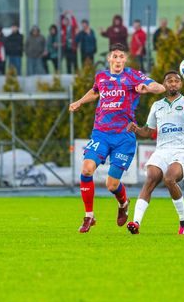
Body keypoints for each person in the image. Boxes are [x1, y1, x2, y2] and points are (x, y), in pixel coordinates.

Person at [69, 43, 166, 233]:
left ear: (125, 59)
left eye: (121, 56)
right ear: (109, 59)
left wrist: (147, 88)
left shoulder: (133, 75)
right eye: (115, 56)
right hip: (101, 133)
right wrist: (79, 102)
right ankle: (89, 216)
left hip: (124, 137)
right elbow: (95, 92)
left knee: (111, 184)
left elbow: (160, 87)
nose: (118, 60)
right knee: (87, 169)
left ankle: (123, 203)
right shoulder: (101, 76)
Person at [126, 71, 184, 234]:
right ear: (164, 84)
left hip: (182, 152)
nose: (173, 83)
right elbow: (148, 131)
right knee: (151, 178)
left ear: (181, 84)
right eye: (169, 81)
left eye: (176, 81)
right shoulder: (157, 105)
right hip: (161, 151)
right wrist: (136, 129)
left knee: (169, 179)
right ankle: (136, 222)